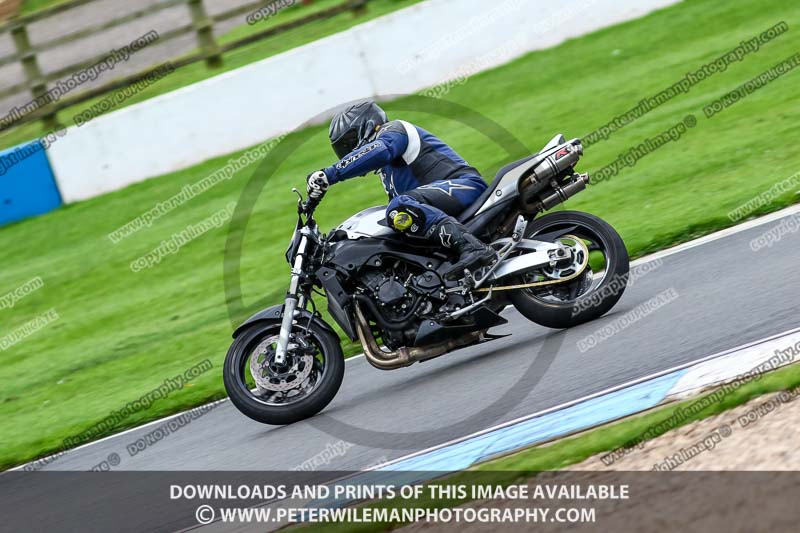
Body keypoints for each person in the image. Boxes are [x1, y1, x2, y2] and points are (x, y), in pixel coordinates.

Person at [306, 100, 496, 280]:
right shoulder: (387, 173)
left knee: (399, 207)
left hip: (464, 185)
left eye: (349, 142)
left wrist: (330, 174)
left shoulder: (394, 130)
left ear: (367, 125)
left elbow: (380, 150)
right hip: (444, 200)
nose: (348, 151)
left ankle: (472, 248)